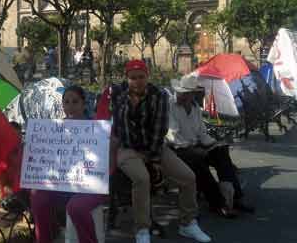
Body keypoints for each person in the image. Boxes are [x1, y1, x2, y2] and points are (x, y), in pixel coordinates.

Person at [110, 60, 211, 243]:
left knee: (188, 177)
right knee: (142, 179)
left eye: (141, 77)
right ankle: (142, 229)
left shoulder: (159, 96)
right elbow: (120, 127)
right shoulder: (119, 95)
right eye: (133, 78)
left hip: (154, 146)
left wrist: (152, 156)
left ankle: (187, 223)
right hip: (128, 148)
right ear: (127, 78)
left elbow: (160, 128)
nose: (137, 81)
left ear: (147, 77)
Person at [167, 75, 254, 217]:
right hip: (177, 149)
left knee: (221, 152)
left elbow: (201, 133)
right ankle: (218, 203)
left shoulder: (195, 108)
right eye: (181, 92)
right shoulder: (171, 106)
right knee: (197, 159)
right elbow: (172, 136)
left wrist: (213, 144)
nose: (183, 95)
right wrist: (195, 147)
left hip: (194, 145)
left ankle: (235, 197)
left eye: (187, 93)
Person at [30, 86, 108, 243]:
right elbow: (47, 158)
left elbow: (106, 159)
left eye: (75, 102)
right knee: (38, 196)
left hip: (91, 185)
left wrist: (110, 142)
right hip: (62, 184)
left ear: (84, 104)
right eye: (66, 102)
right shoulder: (55, 128)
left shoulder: (96, 127)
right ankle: (45, 239)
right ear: (62, 105)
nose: (70, 106)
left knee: (76, 207)